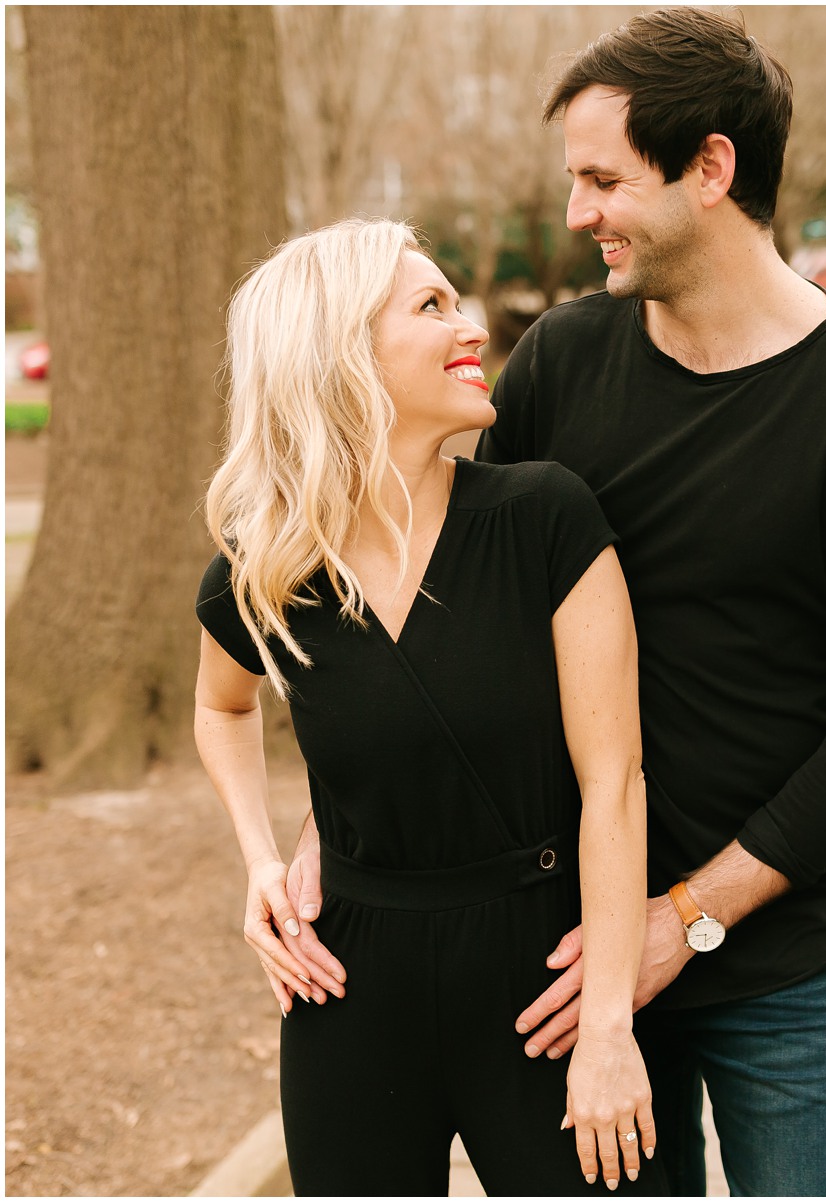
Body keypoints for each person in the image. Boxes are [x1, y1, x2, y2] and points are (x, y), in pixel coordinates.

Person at [287, 7, 826, 1195]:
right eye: (574, 179)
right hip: (562, 953)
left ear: (712, 168)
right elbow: (436, 603)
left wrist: (687, 916)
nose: (575, 213)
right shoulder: (560, 361)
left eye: (603, 178)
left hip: (781, 967)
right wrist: (326, 825)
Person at [193, 217, 660, 1196]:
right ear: (341, 352)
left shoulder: (544, 516)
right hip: (348, 986)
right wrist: (261, 861)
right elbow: (222, 708)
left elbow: (613, 781)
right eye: (432, 305)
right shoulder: (268, 566)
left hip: (545, 983)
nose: (474, 326)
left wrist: (610, 1022)